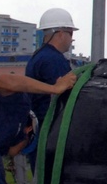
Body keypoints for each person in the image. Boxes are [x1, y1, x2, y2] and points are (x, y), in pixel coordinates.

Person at [26, 8, 78, 138]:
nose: (72, 39)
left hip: (40, 128)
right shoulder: (53, 60)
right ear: (60, 33)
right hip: (51, 131)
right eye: (71, 33)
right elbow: (67, 95)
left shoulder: (39, 56)